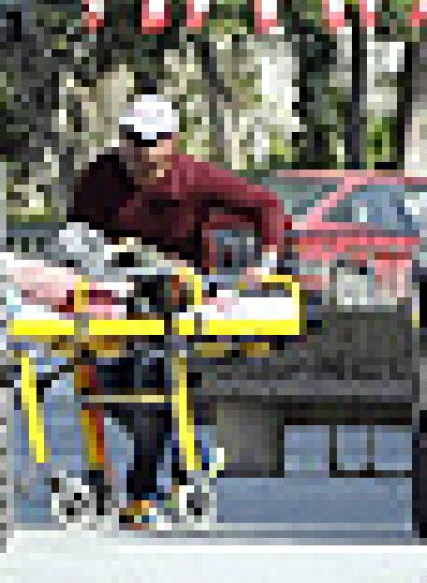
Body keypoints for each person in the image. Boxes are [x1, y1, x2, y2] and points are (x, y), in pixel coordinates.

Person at [67, 93, 284, 530]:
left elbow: (266, 206)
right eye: (133, 140)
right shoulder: (101, 178)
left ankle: (141, 495)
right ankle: (192, 459)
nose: (142, 153)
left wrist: (267, 262)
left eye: (152, 141)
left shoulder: (196, 179)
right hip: (115, 298)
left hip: (176, 299)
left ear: (172, 142)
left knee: (154, 377)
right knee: (109, 387)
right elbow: (75, 233)